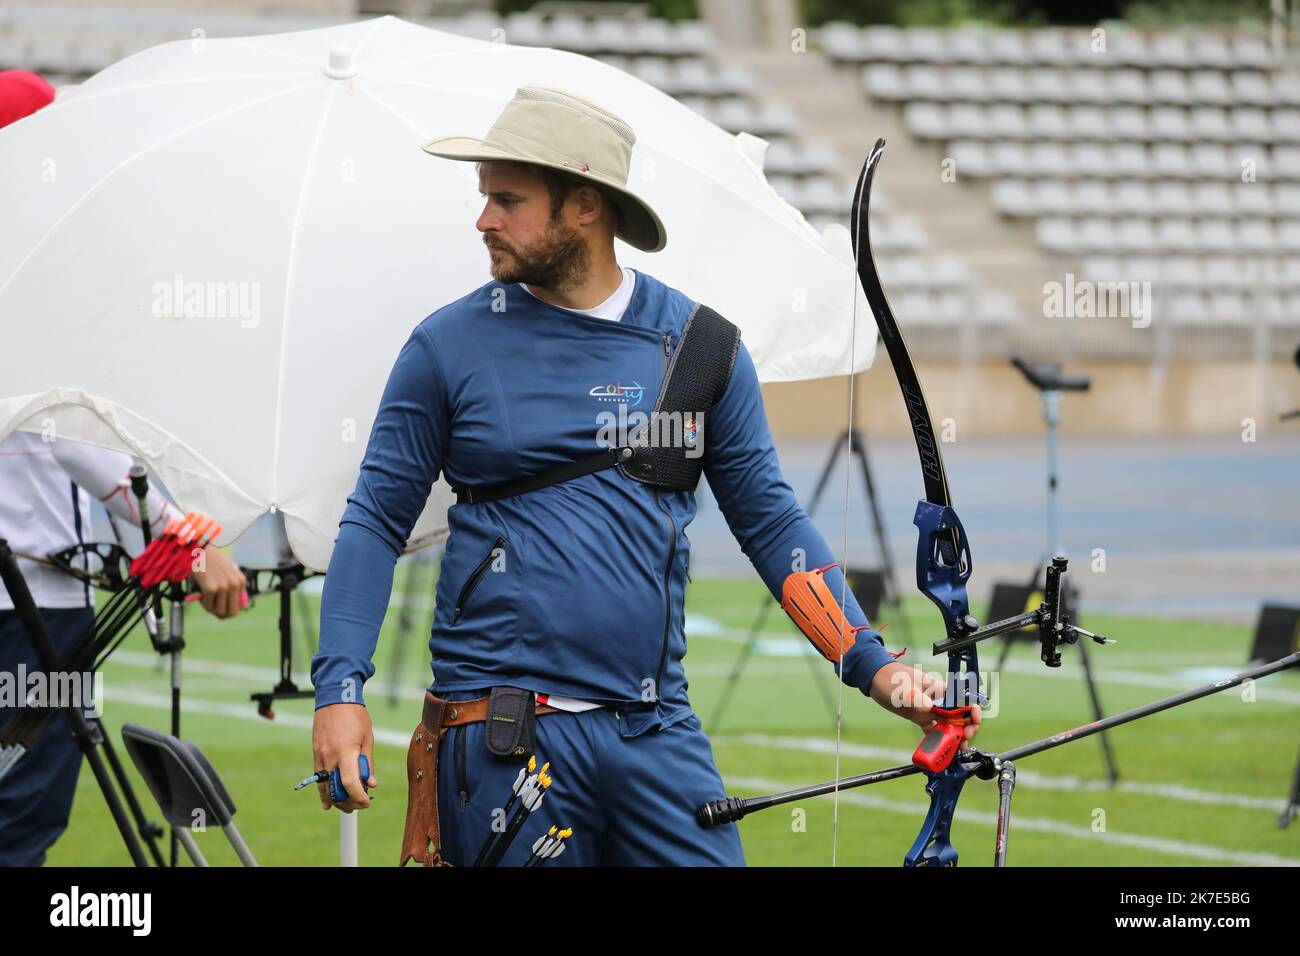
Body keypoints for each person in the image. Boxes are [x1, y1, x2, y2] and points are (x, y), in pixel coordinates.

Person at [311, 85, 978, 866]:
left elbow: (769, 523)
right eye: (485, 196)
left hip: (655, 732)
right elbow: (375, 521)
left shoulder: (700, 350)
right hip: (501, 738)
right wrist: (339, 692)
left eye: (508, 199)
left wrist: (877, 668)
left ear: (586, 205)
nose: (484, 219)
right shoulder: (448, 346)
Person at [0, 432, 246, 865]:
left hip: (29, 603)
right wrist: (193, 547)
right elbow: (76, 444)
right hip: (34, 609)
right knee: (19, 816)